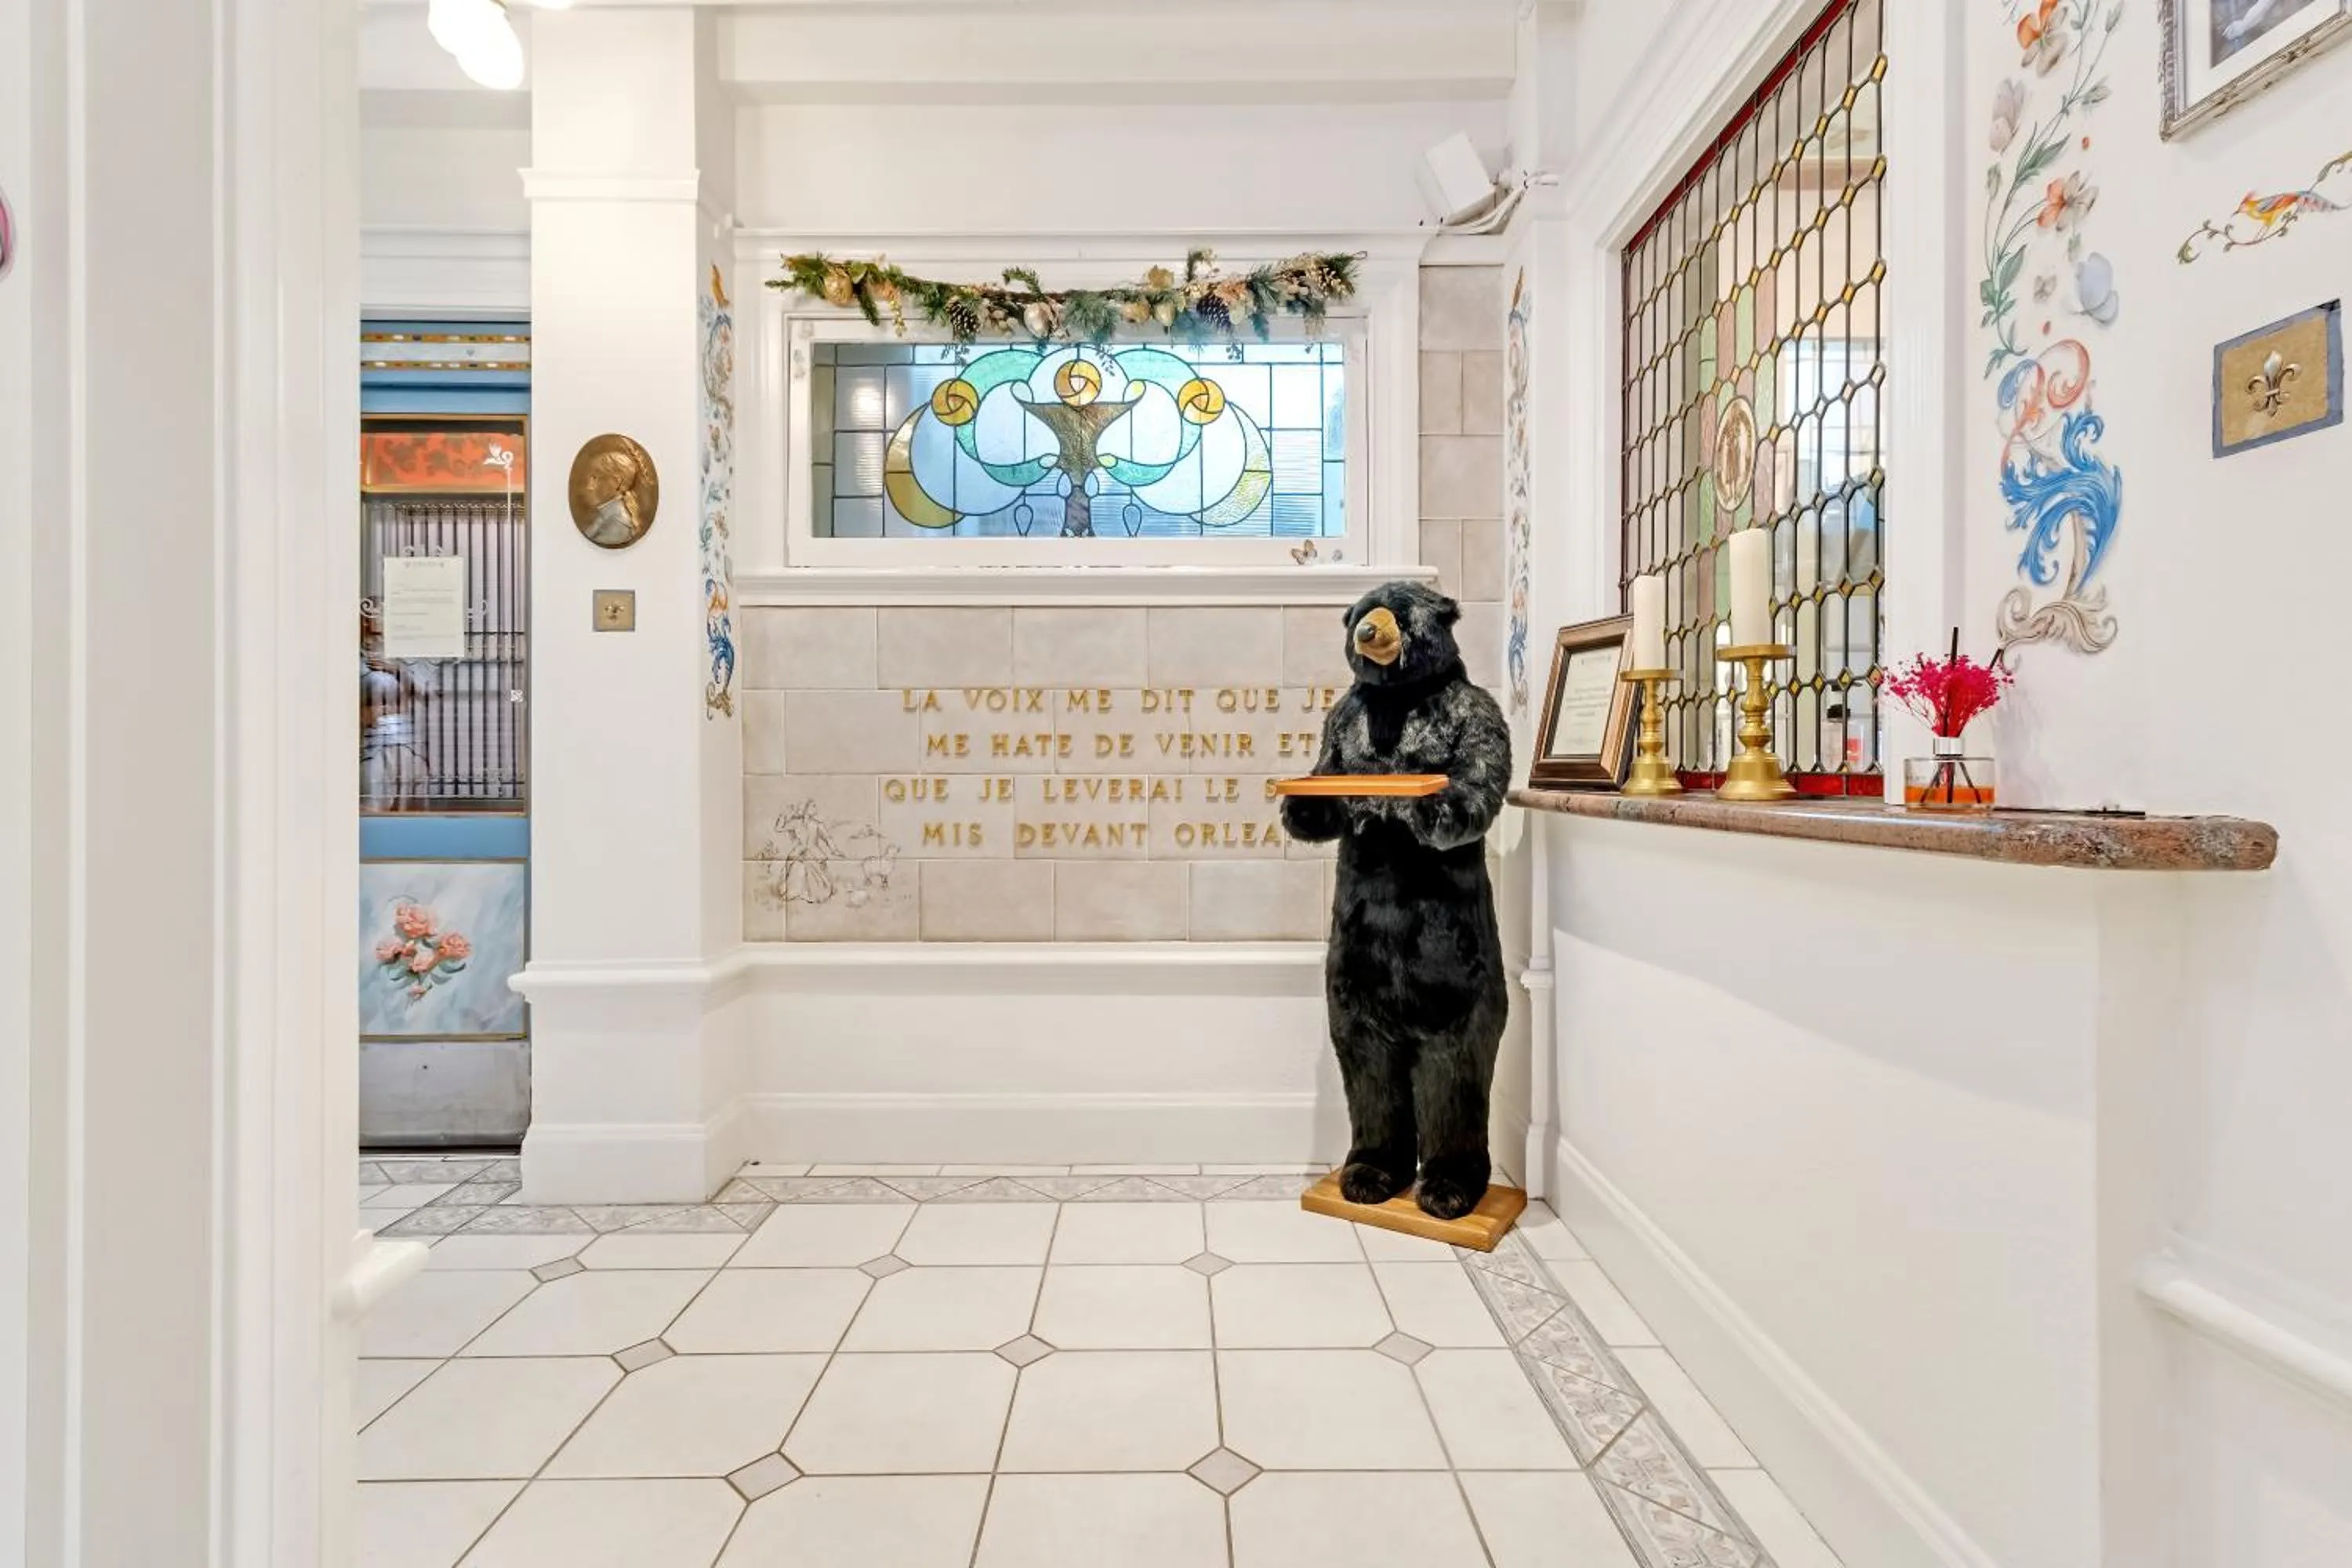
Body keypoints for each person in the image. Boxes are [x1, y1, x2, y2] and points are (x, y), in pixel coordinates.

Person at [361, 608, 433, 811]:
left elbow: (428, 694)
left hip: (405, 740)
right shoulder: (353, 655)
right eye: (370, 615)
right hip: (370, 742)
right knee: (371, 804)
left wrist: (395, 669)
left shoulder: (402, 657)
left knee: (407, 808)